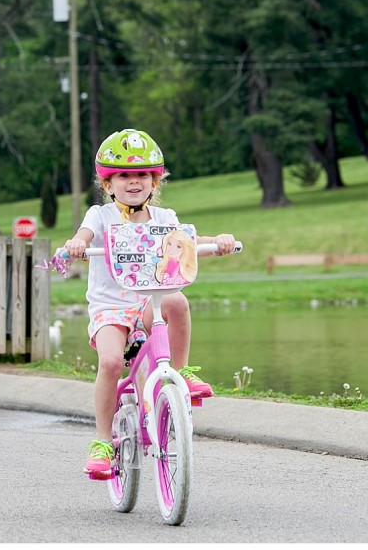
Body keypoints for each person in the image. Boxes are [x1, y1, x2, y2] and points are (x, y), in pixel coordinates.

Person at [62, 128, 236, 479]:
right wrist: (76, 245)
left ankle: (181, 374)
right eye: (123, 175)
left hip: (147, 302)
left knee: (177, 300)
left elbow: (188, 240)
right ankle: (102, 443)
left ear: (155, 182)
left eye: (142, 174)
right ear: (108, 184)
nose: (133, 181)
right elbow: (84, 236)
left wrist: (217, 241)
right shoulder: (100, 216)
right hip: (110, 307)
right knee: (111, 362)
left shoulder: (165, 219)